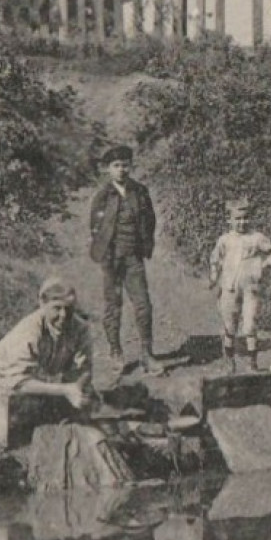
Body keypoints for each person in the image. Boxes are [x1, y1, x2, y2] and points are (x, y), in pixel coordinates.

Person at [0, 278, 96, 451]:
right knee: (6, 429)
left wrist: (78, 387)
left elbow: (83, 368)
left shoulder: (79, 329)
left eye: (68, 309)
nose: (63, 315)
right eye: (56, 308)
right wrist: (66, 390)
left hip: (34, 376)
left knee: (84, 406)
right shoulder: (29, 330)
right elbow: (18, 382)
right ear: (42, 304)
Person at [88, 145, 163, 375]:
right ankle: (116, 353)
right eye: (116, 166)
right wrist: (104, 254)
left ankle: (147, 354)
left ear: (131, 166)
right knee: (113, 306)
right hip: (111, 259)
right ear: (108, 169)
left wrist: (144, 246)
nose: (121, 170)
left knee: (143, 305)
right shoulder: (102, 196)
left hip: (133, 258)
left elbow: (150, 220)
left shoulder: (140, 192)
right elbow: (95, 228)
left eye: (125, 165)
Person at [208, 198, 271, 374]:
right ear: (230, 220)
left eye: (245, 218)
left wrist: (264, 266)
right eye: (237, 219)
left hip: (250, 289)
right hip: (230, 287)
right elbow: (215, 259)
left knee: (249, 325)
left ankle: (252, 363)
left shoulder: (256, 238)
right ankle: (229, 362)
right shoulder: (225, 240)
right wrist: (213, 275)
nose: (242, 223)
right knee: (229, 326)